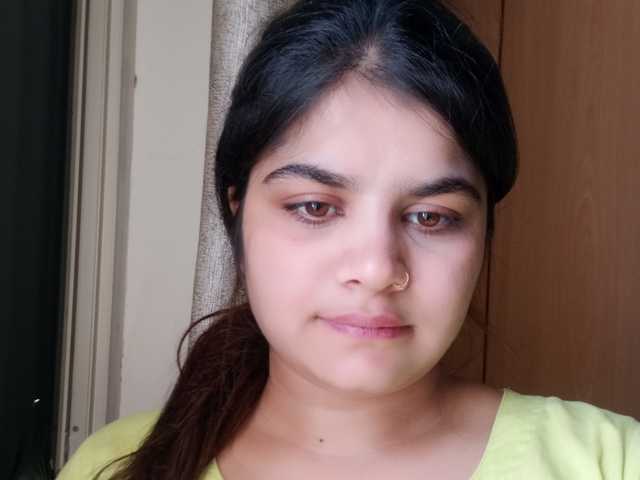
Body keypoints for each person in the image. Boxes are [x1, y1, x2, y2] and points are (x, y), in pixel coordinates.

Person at [57, 0, 640, 478]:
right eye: (314, 207)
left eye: (431, 217)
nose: (378, 268)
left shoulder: (610, 461)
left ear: (484, 234)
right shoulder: (116, 466)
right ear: (237, 212)